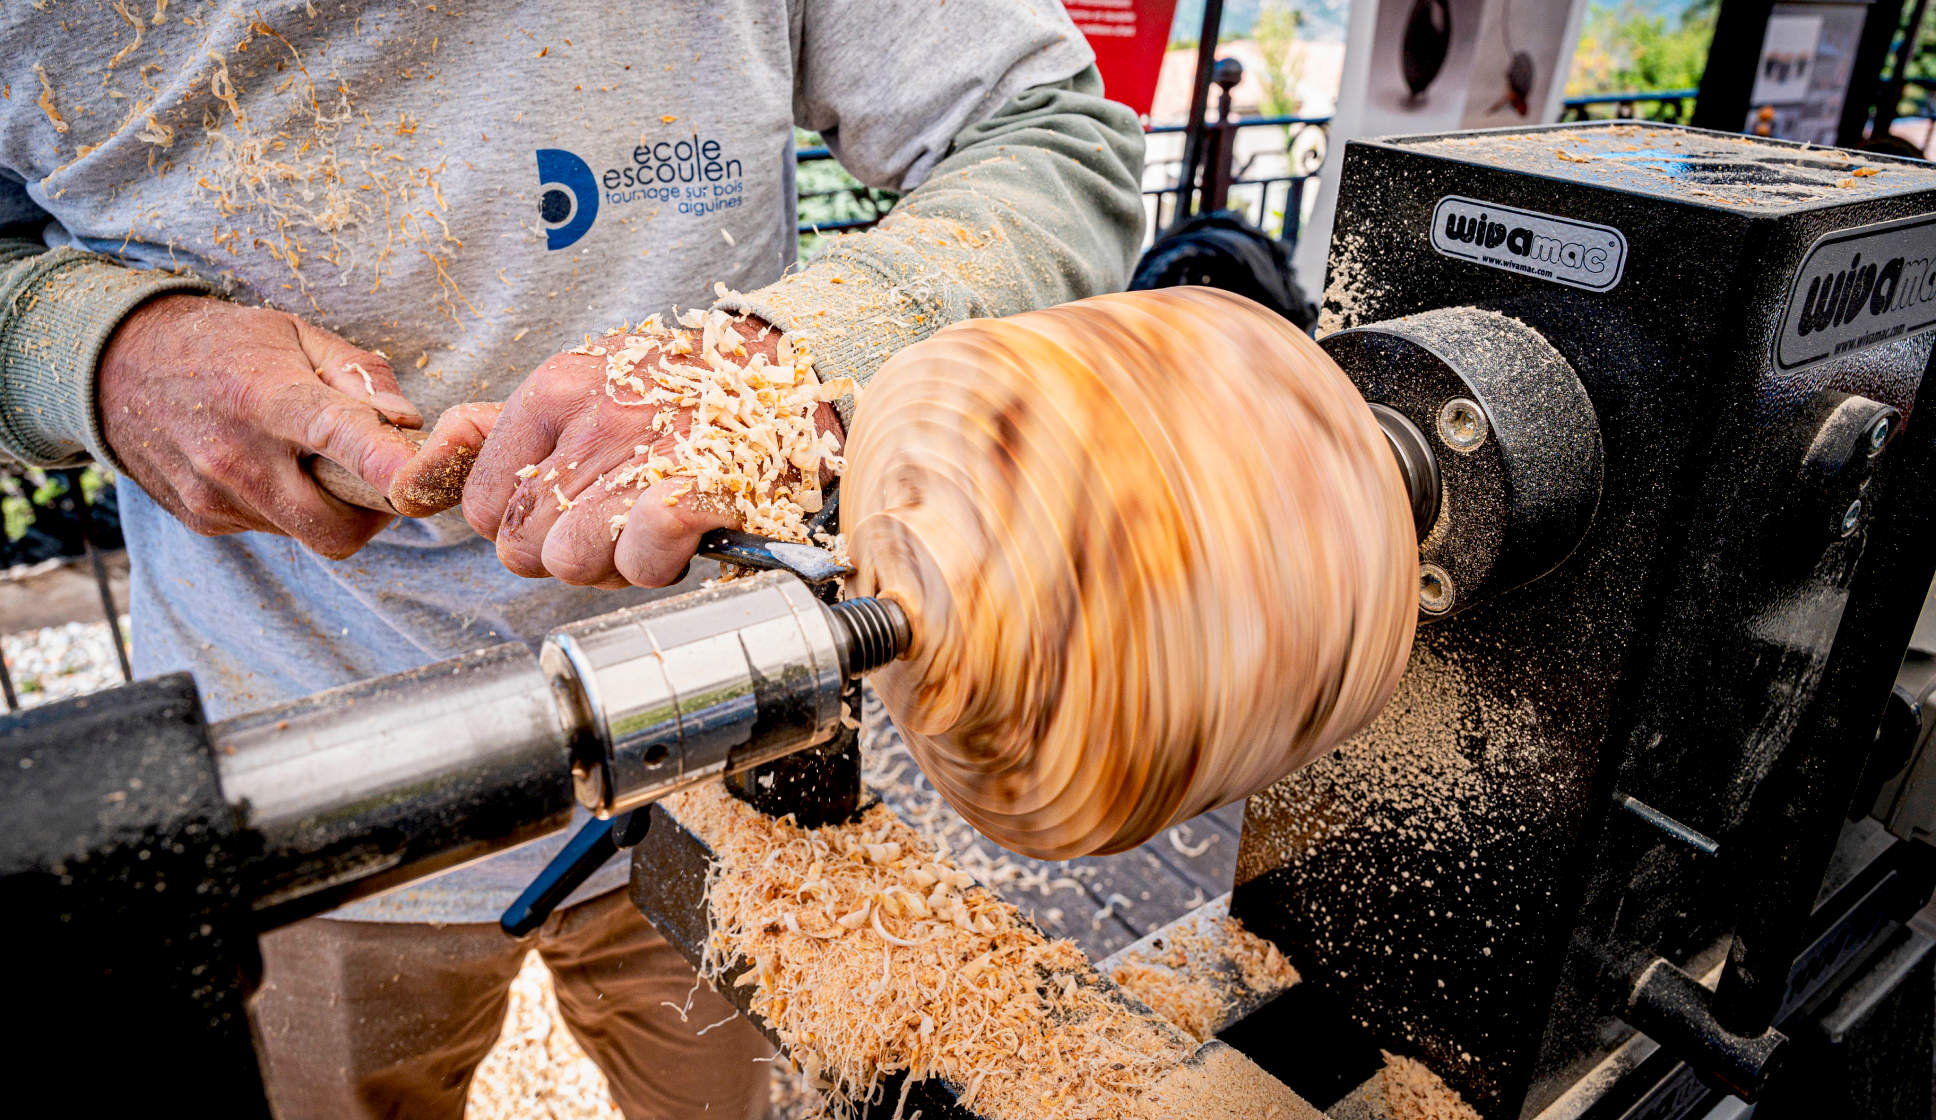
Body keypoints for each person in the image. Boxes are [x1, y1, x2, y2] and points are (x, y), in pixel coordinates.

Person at [0, 3, 1144, 1117]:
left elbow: (1055, 137)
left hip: (736, 743)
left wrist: (763, 372)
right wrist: (101, 354)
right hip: (297, 768)